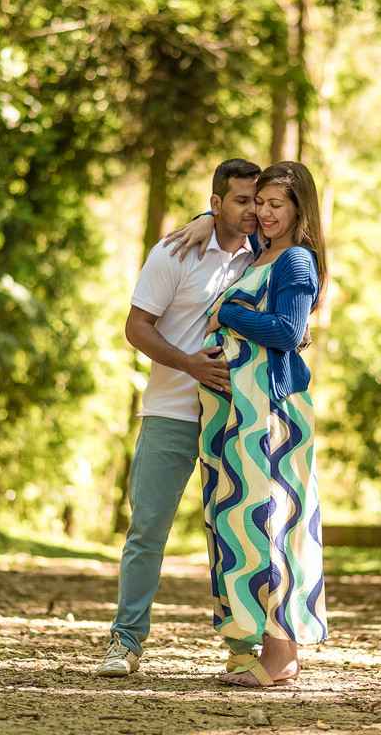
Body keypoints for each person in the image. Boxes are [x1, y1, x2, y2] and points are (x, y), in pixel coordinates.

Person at [96, 158, 264, 678]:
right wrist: (189, 363)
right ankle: (125, 643)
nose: (253, 211)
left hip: (235, 416)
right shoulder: (175, 251)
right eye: (241, 201)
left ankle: (243, 647)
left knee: (234, 533)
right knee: (148, 530)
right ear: (215, 204)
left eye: (257, 201)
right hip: (171, 411)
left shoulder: (263, 254)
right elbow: (136, 328)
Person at [198, 161, 330, 687]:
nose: (264, 213)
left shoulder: (296, 260)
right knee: (245, 527)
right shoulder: (261, 253)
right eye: (260, 203)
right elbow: (218, 211)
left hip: (272, 412)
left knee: (271, 524)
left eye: (277, 205)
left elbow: (287, 329)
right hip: (239, 411)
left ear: (299, 209)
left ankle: (281, 657)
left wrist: (227, 314)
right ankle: (268, 648)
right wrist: (195, 223)